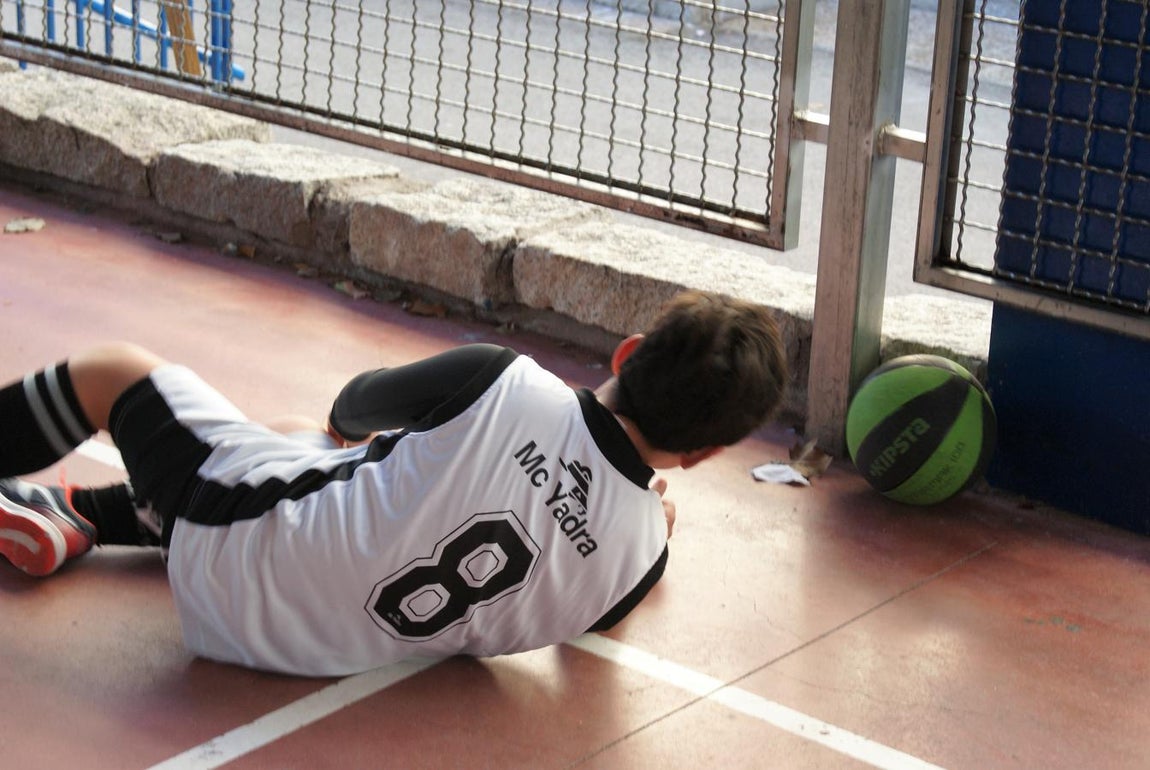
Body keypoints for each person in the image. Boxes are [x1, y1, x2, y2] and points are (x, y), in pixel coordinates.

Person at [0, 289, 787, 677]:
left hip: (230, 552)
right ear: (702, 455)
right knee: (329, 478)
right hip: (316, 650)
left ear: (627, 352)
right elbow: (596, 625)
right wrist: (644, 526)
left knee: (123, 378)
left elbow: (351, 409)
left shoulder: (505, 379)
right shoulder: (644, 555)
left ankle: (100, 503)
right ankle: (78, 516)